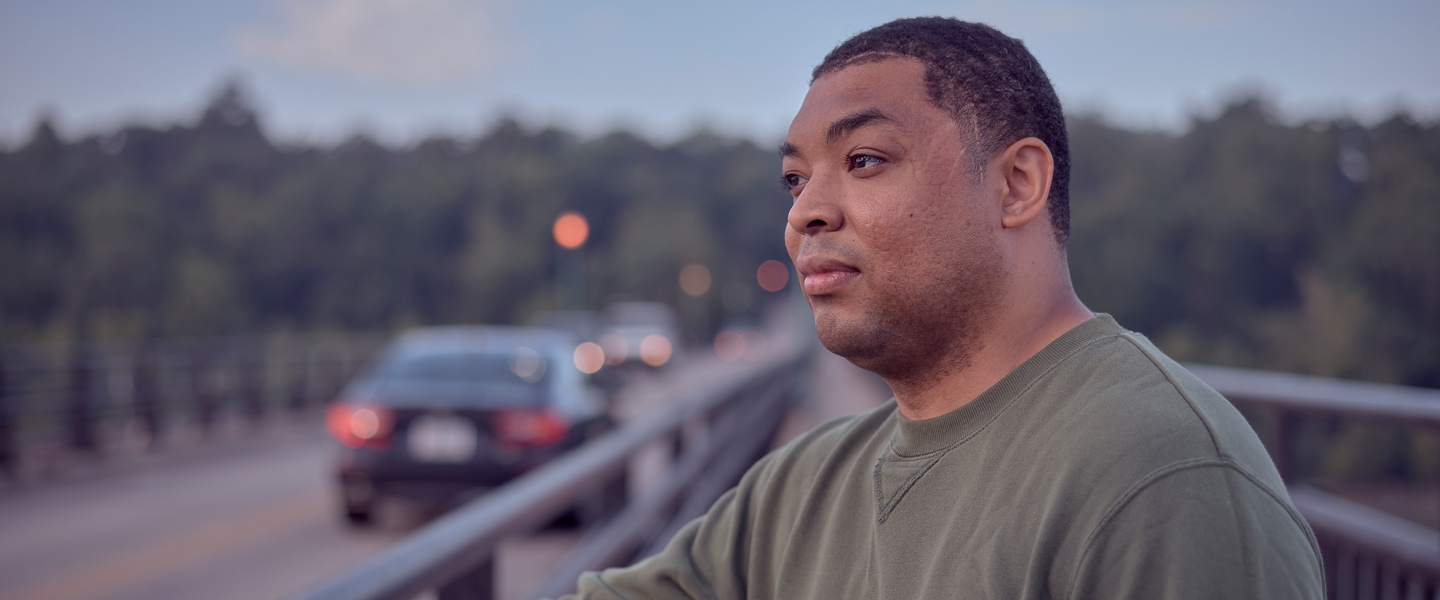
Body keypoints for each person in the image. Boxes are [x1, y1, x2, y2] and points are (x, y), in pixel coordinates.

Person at [560, 17, 1325, 599]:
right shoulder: (795, 493)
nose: (806, 214)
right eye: (795, 181)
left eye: (864, 161)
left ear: (1016, 184)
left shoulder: (1161, 482)